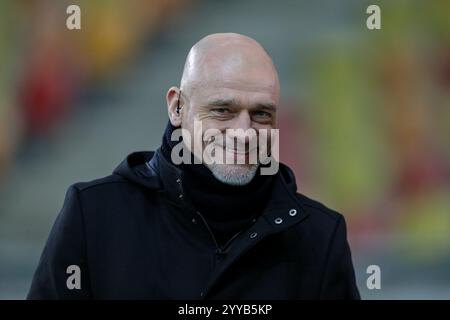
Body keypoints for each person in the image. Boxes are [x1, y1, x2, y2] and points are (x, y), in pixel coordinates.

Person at [28, 33, 360, 299]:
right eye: (222, 111)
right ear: (177, 107)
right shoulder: (94, 216)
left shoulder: (318, 237)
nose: (244, 134)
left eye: (261, 114)